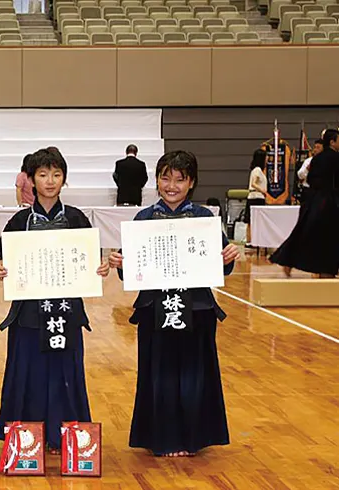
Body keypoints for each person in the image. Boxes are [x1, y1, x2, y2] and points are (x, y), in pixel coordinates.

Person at [107, 150, 240, 458]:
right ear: (156, 180)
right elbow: (132, 271)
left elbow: (221, 266)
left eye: (180, 180)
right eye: (165, 178)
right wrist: (119, 262)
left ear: (191, 183)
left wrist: (227, 257)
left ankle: (193, 438)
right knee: (159, 375)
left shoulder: (204, 219)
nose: (171, 186)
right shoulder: (144, 218)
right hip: (156, 309)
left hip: (197, 309)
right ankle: (162, 438)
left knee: (195, 374)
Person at [0, 149, 110, 452]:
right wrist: (0, 269)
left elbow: (90, 261)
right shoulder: (19, 222)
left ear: (64, 179)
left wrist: (100, 267)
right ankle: (26, 435)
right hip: (29, 314)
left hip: (66, 313)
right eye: (43, 174)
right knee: (27, 372)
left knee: (65, 372)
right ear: (30, 179)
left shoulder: (77, 218)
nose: (50, 181)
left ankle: (65, 436)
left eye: (56, 175)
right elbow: (3, 262)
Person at [270, 129, 339, 278]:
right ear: (332, 141)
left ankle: (288, 261)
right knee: (327, 237)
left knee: (303, 233)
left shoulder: (316, 159)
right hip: (329, 203)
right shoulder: (335, 158)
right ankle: (326, 269)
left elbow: (309, 179)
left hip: (312, 200)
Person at [244, 149, 268, 228]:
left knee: (250, 222)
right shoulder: (257, 170)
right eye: (266, 156)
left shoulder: (258, 170)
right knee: (253, 222)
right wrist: (263, 191)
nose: (267, 158)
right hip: (256, 198)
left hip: (255, 197)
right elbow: (253, 184)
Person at [297, 138, 324, 203]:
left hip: (321, 192)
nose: (315, 150)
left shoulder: (326, 161)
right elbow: (300, 175)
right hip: (308, 191)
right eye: (315, 147)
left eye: (318, 148)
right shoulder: (308, 161)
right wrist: (307, 169)